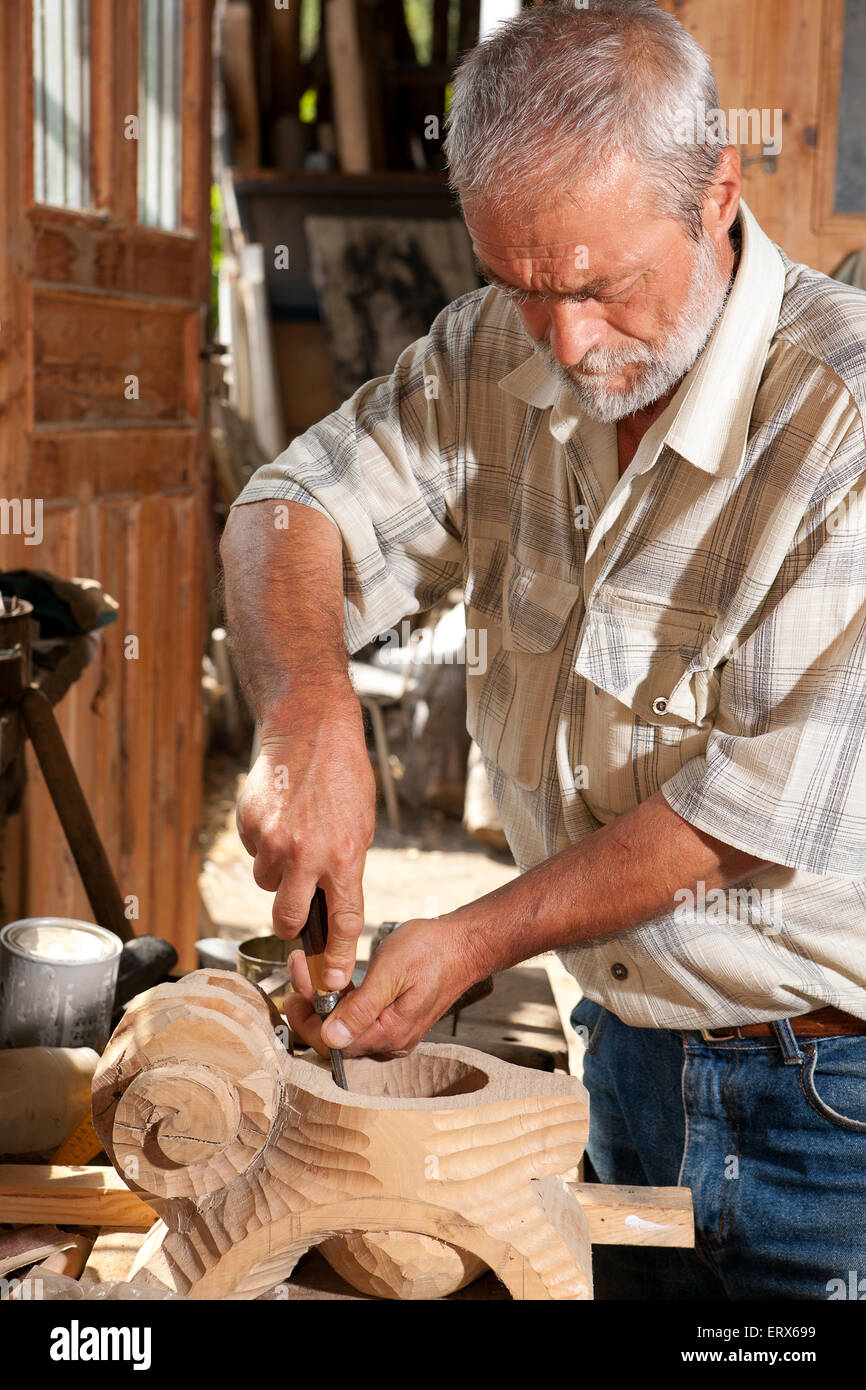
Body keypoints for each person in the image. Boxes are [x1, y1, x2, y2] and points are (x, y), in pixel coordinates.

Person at [220, 1, 866, 1299]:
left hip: (831, 1102)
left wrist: (472, 937)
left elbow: (744, 815)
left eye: (600, 287)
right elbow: (288, 505)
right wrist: (306, 710)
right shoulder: (485, 352)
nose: (565, 345)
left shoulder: (841, 420)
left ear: (716, 195)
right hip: (625, 1049)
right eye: (522, 287)